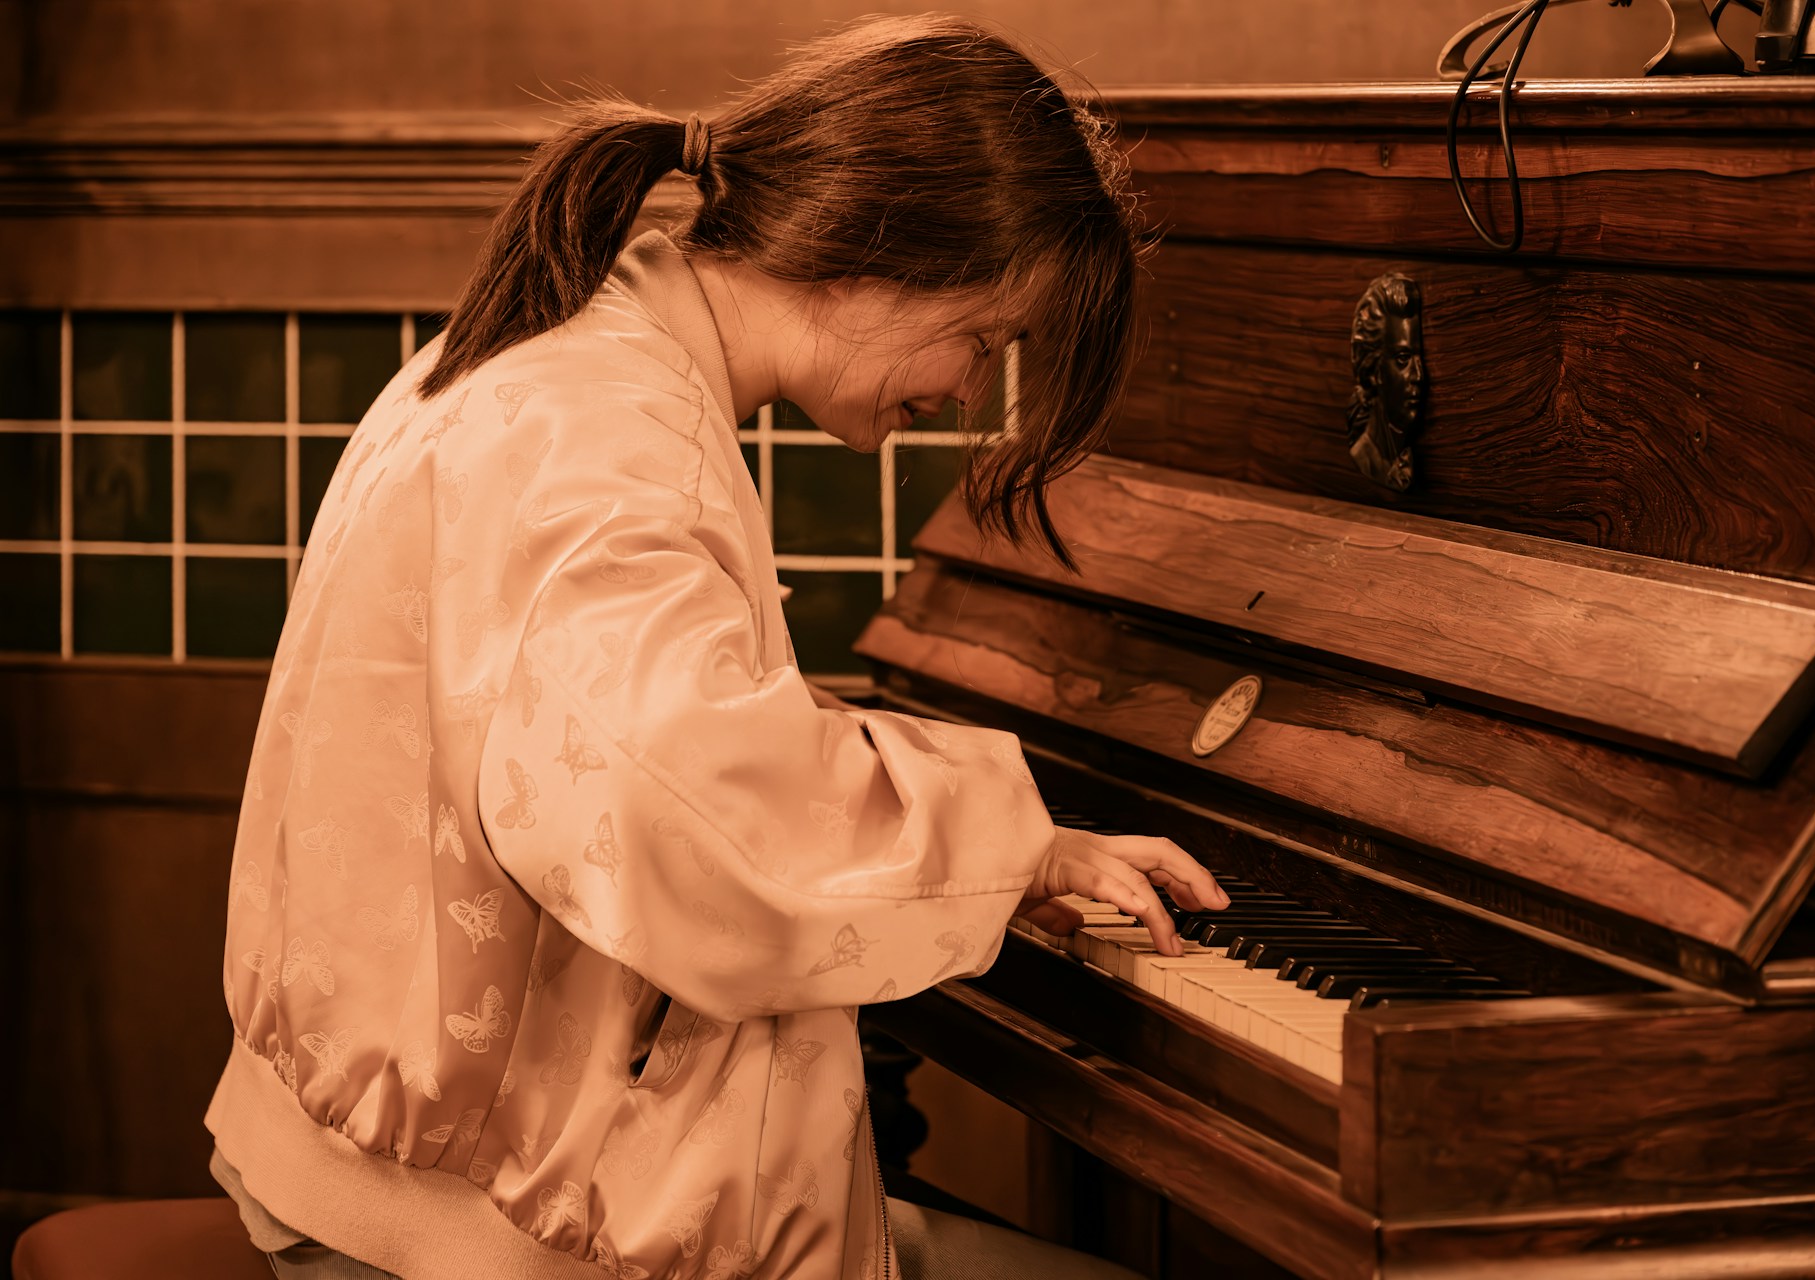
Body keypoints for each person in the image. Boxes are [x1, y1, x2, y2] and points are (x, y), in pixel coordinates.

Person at [207, 14, 1230, 1280]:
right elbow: (698, 820)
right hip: (466, 1229)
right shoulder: (609, 438)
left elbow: (638, 749)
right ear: (880, 251)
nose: (970, 393)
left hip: (403, 1168)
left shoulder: (569, 357)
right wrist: (1017, 844)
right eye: (987, 340)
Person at [1344, 272, 1425, 492]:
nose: (1419, 375)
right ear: (1373, 369)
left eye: (1420, 359)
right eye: (1403, 359)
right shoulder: (1366, 456)